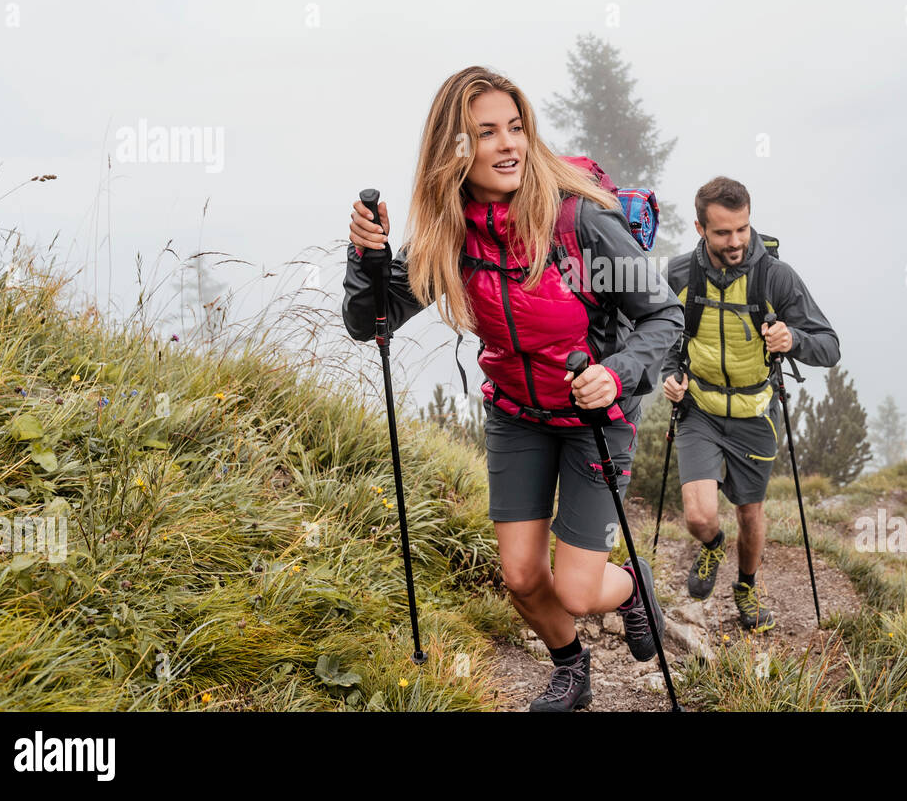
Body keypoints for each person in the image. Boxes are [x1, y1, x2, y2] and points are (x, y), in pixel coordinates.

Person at [342, 66, 683, 711]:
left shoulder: (577, 223)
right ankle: (572, 669)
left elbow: (663, 313)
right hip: (517, 414)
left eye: (516, 128)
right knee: (523, 578)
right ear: (454, 151)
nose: (508, 145)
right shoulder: (451, 232)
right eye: (486, 133)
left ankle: (631, 586)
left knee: (579, 590)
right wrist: (367, 259)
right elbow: (372, 324)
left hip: (594, 415)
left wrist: (615, 375)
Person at [661, 176, 840, 631]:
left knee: (750, 512)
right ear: (701, 228)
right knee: (700, 517)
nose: (736, 241)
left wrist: (792, 338)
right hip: (699, 408)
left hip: (755, 414)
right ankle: (713, 544)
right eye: (723, 232)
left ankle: (745, 585)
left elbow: (830, 347)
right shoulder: (681, 274)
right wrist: (669, 374)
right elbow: (660, 331)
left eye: (742, 228)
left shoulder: (775, 276)